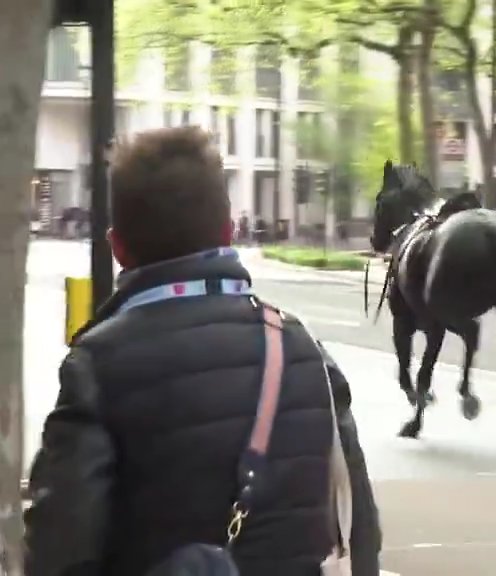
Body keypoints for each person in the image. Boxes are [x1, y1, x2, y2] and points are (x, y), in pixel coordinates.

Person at [24, 127, 381, 576]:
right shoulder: (303, 349)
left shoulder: (97, 367)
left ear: (118, 248)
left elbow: (59, 550)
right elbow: (358, 526)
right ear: (229, 231)